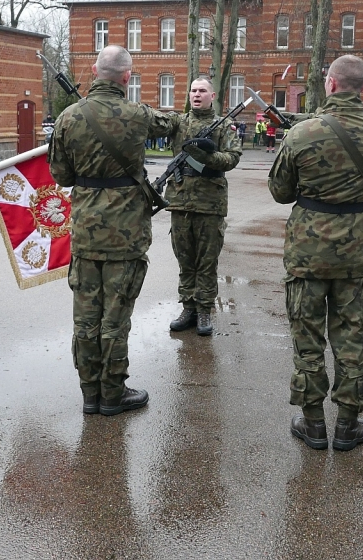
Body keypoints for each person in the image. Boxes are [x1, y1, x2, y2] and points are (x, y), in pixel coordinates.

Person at [267, 55, 363, 452]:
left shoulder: (302, 134)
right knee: (352, 339)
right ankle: (349, 426)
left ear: (332, 84)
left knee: (307, 339)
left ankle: (313, 423)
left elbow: (281, 192)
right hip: (359, 251)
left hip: (309, 252)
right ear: (361, 87)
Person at [48, 45, 179, 416]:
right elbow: (171, 126)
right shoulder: (139, 115)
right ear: (127, 77)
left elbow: (61, 175)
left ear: (93, 70)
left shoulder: (69, 117)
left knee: (86, 318)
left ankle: (90, 394)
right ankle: (113, 393)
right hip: (126, 234)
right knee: (116, 318)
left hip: (87, 231)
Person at [165, 78, 242, 336]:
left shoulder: (224, 126)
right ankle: (188, 307)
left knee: (207, 262)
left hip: (210, 204)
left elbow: (232, 158)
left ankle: (205, 309)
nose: (196, 95)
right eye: (193, 90)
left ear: (213, 95)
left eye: (202, 91)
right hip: (180, 202)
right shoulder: (178, 123)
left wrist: (207, 156)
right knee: (185, 259)